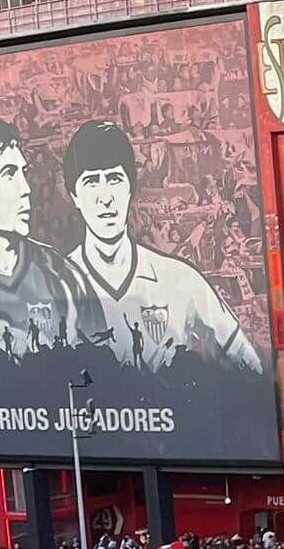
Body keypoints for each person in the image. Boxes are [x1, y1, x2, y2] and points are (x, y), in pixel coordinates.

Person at [61, 120, 263, 372]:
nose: (105, 197)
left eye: (114, 179)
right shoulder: (55, 284)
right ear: (74, 195)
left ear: (131, 188)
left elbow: (248, 365)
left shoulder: (179, 277)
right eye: (91, 182)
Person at [0, 116, 96, 356]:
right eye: (9, 174)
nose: (25, 189)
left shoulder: (62, 273)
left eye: (23, 173)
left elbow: (100, 368)